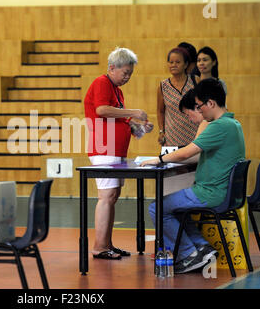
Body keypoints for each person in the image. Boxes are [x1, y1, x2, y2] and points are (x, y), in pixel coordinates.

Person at [141, 78, 244, 274]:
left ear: (211, 103)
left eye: (199, 106)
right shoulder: (233, 124)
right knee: (176, 208)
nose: (199, 111)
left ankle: (188, 254)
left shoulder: (217, 126)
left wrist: (159, 159)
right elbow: (197, 156)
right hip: (222, 193)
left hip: (210, 193)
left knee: (157, 208)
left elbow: (188, 152)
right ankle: (201, 246)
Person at [84, 47, 153, 260]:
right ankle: (99, 246)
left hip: (115, 150)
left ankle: (107, 244)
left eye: (130, 74)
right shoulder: (101, 83)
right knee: (106, 196)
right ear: (112, 68)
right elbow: (102, 110)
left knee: (112, 196)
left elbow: (118, 119)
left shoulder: (116, 90)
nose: (128, 78)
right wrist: (133, 112)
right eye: (125, 73)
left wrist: (139, 127)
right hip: (105, 149)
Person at [157, 47, 199, 147]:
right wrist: (161, 131)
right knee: (173, 162)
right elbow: (160, 111)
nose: (173, 65)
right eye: (171, 62)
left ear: (185, 64)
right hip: (172, 137)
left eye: (177, 62)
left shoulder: (195, 81)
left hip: (195, 135)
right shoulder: (163, 86)